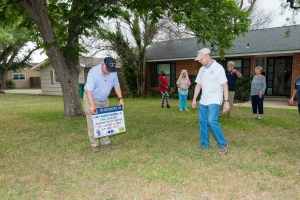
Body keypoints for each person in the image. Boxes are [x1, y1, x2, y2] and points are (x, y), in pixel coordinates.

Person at [192, 48, 229, 155]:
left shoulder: (218, 68)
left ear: (207, 56)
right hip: (204, 100)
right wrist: (194, 99)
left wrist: (226, 101)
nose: (199, 61)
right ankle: (205, 144)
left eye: (201, 59)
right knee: (202, 121)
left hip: (215, 99)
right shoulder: (202, 69)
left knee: (211, 121)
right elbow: (198, 84)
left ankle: (223, 144)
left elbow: (224, 85)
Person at [83, 56, 124, 153]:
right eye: (107, 69)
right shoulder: (93, 72)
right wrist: (92, 105)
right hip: (91, 98)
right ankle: (94, 144)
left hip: (104, 100)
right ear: (103, 64)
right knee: (92, 121)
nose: (109, 72)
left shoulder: (113, 72)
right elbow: (89, 90)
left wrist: (121, 99)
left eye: (111, 70)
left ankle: (105, 142)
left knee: (105, 121)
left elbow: (116, 85)